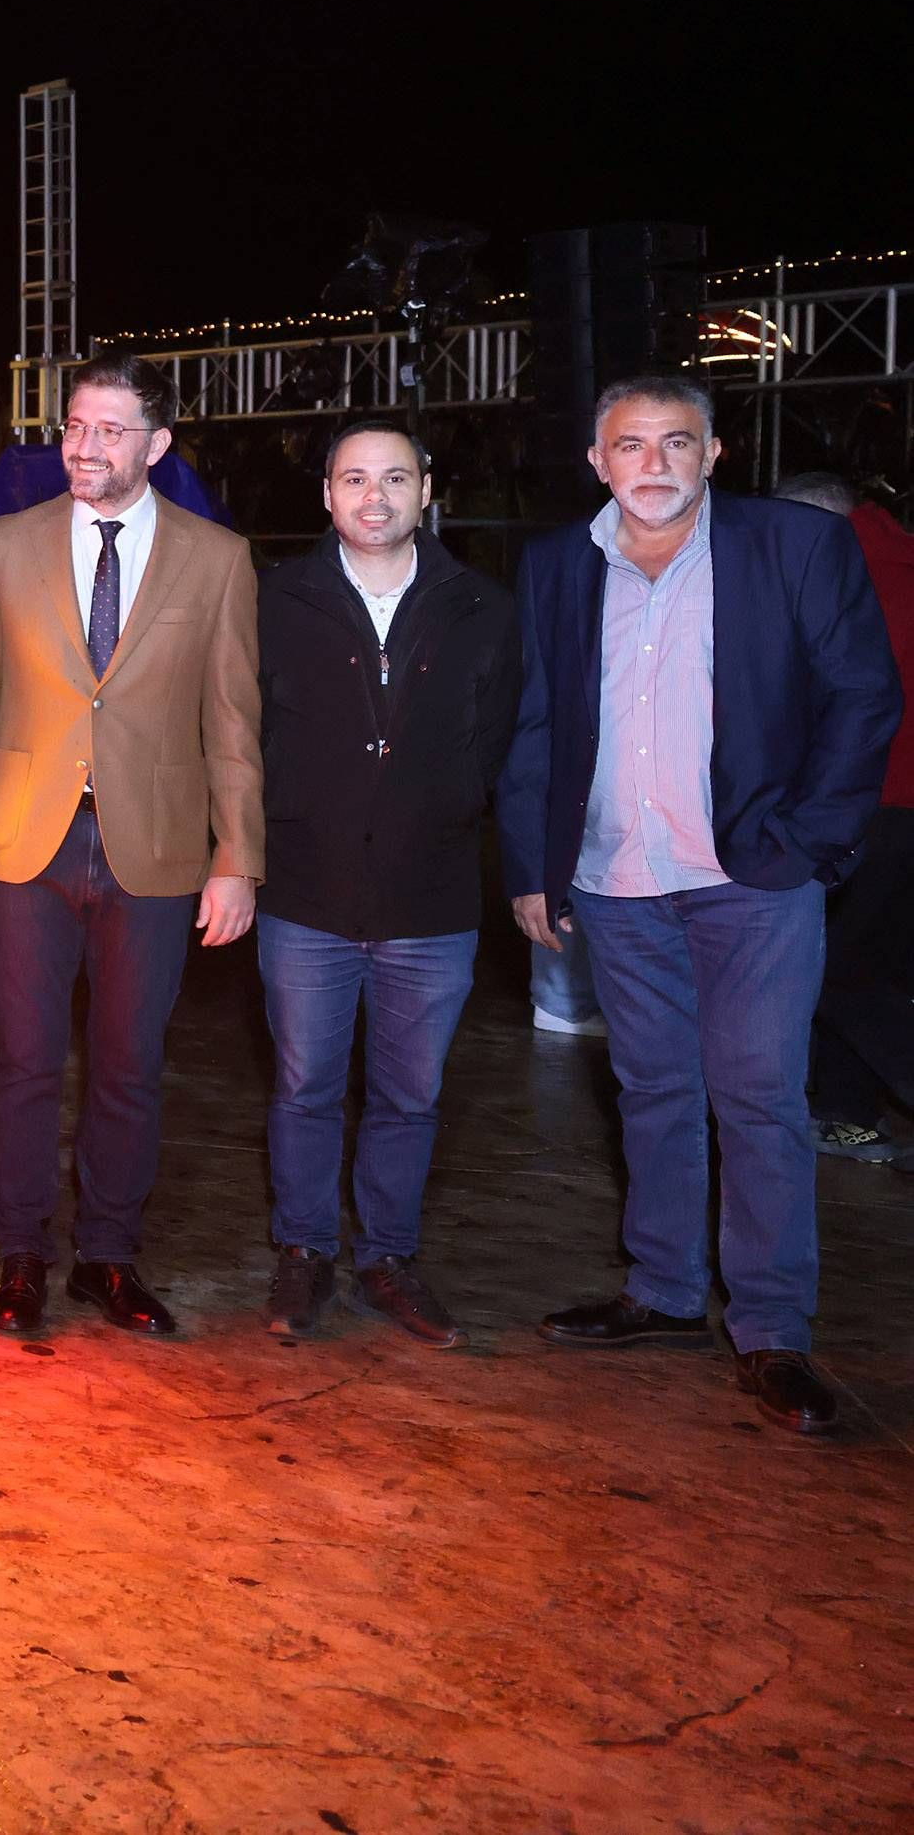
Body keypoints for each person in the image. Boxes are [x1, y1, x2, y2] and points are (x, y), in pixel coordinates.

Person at [501, 379, 900, 1436]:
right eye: (630, 445)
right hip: (615, 878)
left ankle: (771, 1328)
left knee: (758, 1099)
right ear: (597, 461)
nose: (654, 463)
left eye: (676, 441)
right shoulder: (557, 563)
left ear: (714, 452)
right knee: (651, 1090)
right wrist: (534, 864)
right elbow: (537, 721)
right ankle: (666, 1292)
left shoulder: (794, 546)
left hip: (752, 880)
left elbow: (864, 697)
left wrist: (808, 844)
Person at [0, 349, 262, 1337]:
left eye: (109, 430)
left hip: (155, 847)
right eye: (75, 426)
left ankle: (109, 1257)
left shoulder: (218, 558)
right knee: (24, 1061)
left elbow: (233, 721)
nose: (84, 446)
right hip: (22, 843)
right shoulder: (5, 546)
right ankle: (20, 1255)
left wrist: (236, 858)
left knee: (129, 1065)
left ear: (156, 445)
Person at [251, 420, 519, 1344]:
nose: (375, 496)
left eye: (395, 478)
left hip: (430, 901)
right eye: (355, 479)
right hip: (303, 893)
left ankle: (387, 1260)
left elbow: (496, 743)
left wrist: (441, 806)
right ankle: (303, 1251)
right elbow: (242, 735)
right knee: (304, 1089)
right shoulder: (270, 601)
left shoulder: (481, 606)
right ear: (326, 494)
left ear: (426, 490)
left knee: (410, 1096)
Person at [773, 473, 914, 1164]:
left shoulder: (838, 572)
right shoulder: (893, 560)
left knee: (829, 967)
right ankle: (846, 1114)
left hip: (865, 802)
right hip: (893, 805)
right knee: (879, 964)